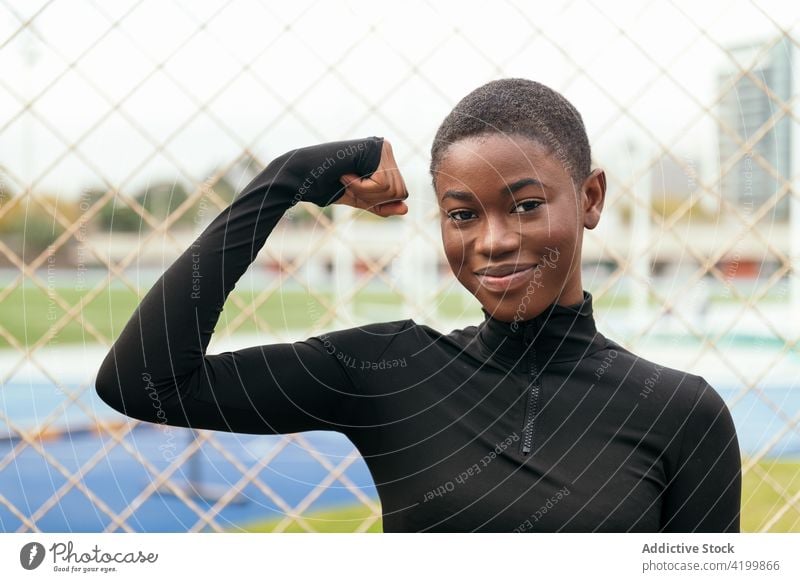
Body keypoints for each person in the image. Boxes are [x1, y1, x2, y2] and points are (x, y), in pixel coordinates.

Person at [95, 78, 741, 532]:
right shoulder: (390, 371)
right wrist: (287, 178)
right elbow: (142, 382)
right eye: (462, 214)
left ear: (591, 198)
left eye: (526, 205)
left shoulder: (685, 417)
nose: (491, 241)